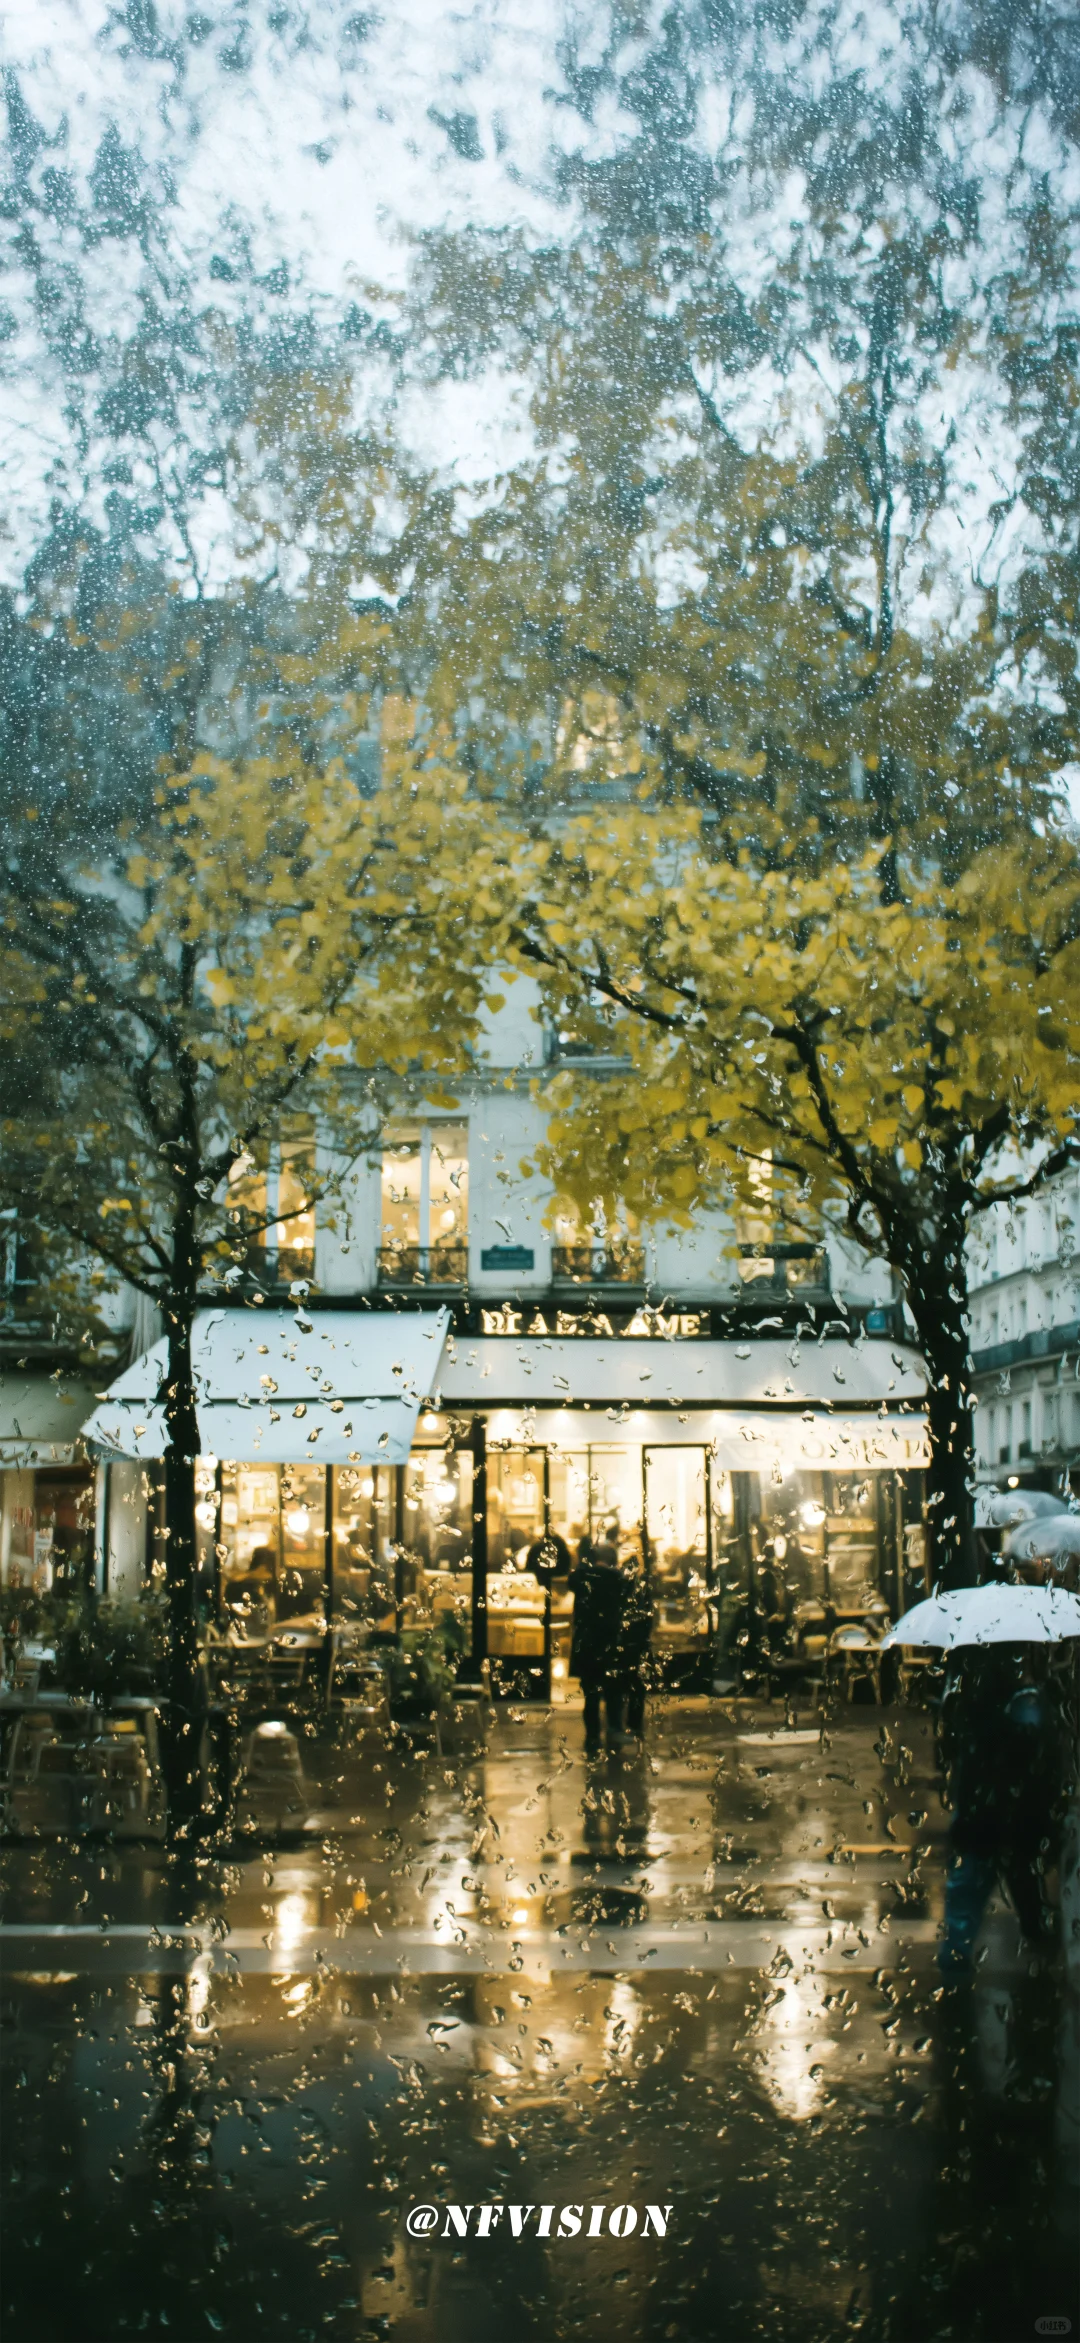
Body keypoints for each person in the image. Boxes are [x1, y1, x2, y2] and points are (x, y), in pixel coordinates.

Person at [937, 1643, 1075, 1974]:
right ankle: (1045, 1969)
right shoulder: (1025, 1703)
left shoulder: (977, 1694)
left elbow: (962, 1754)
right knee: (1024, 1896)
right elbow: (1038, 1763)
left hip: (983, 1816)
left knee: (970, 1901)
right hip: (1011, 1820)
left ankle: (957, 1969)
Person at [569, 1535, 625, 1755]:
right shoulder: (617, 1579)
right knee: (613, 1690)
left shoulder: (583, 1578)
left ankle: (592, 1738)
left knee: (591, 1693)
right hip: (610, 1640)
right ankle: (614, 1729)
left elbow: (571, 1580)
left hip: (587, 1642)